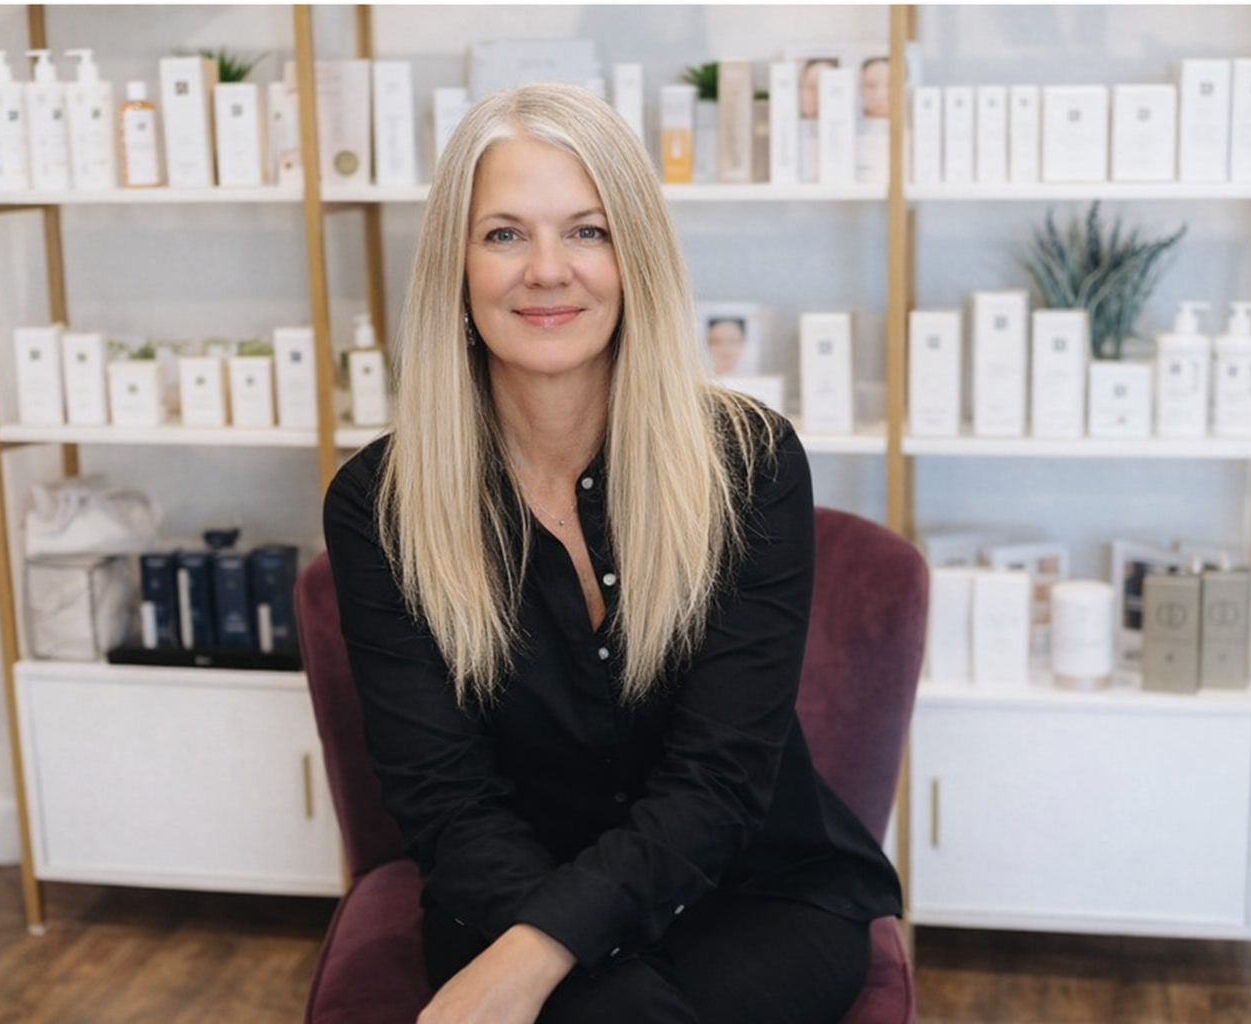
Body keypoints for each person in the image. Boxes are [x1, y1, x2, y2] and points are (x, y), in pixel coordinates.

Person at [323, 83, 901, 1024]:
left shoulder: (748, 464)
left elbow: (720, 779)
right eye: (504, 234)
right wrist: (540, 943)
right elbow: (443, 797)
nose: (547, 270)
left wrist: (542, 960)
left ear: (635, 258)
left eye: (586, 231)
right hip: (506, 892)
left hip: (750, 889)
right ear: (456, 269)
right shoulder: (379, 505)